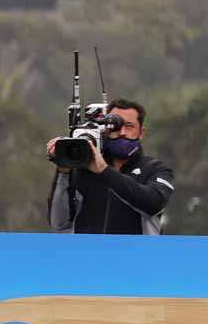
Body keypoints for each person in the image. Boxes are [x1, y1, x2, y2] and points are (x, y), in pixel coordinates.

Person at [45, 98, 174, 234]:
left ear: (141, 133)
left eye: (129, 126)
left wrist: (104, 171)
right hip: (88, 254)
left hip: (136, 254)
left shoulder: (156, 169)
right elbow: (58, 222)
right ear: (104, 129)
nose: (122, 132)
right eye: (115, 126)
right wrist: (63, 172)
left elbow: (153, 204)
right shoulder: (83, 168)